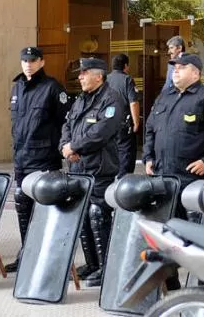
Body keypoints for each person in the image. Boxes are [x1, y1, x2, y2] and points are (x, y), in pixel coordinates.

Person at [59, 57, 126, 287]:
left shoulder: (112, 99)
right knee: (83, 217)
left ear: (99, 75)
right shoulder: (81, 100)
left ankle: (106, 266)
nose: (80, 77)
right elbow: (67, 125)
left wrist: (75, 147)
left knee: (98, 215)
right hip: (77, 168)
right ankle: (92, 264)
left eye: (84, 73)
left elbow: (101, 132)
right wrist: (65, 148)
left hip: (99, 168)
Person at [6, 46, 69, 273]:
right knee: (23, 206)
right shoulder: (17, 88)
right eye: (25, 60)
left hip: (44, 158)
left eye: (33, 60)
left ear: (41, 62)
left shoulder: (52, 88)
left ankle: (48, 255)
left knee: (45, 208)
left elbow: (66, 122)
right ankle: (27, 252)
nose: (28, 64)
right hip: (22, 158)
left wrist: (63, 148)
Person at [143, 53, 204, 187]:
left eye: (182, 67)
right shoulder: (164, 96)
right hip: (161, 174)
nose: (176, 70)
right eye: (175, 68)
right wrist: (148, 158)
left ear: (195, 73)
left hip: (193, 176)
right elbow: (150, 128)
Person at [109, 53, 141, 178]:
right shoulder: (127, 79)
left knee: (112, 151)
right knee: (126, 152)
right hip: (123, 123)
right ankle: (124, 181)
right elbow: (133, 103)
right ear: (126, 66)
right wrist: (136, 122)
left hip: (108, 123)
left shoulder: (106, 79)